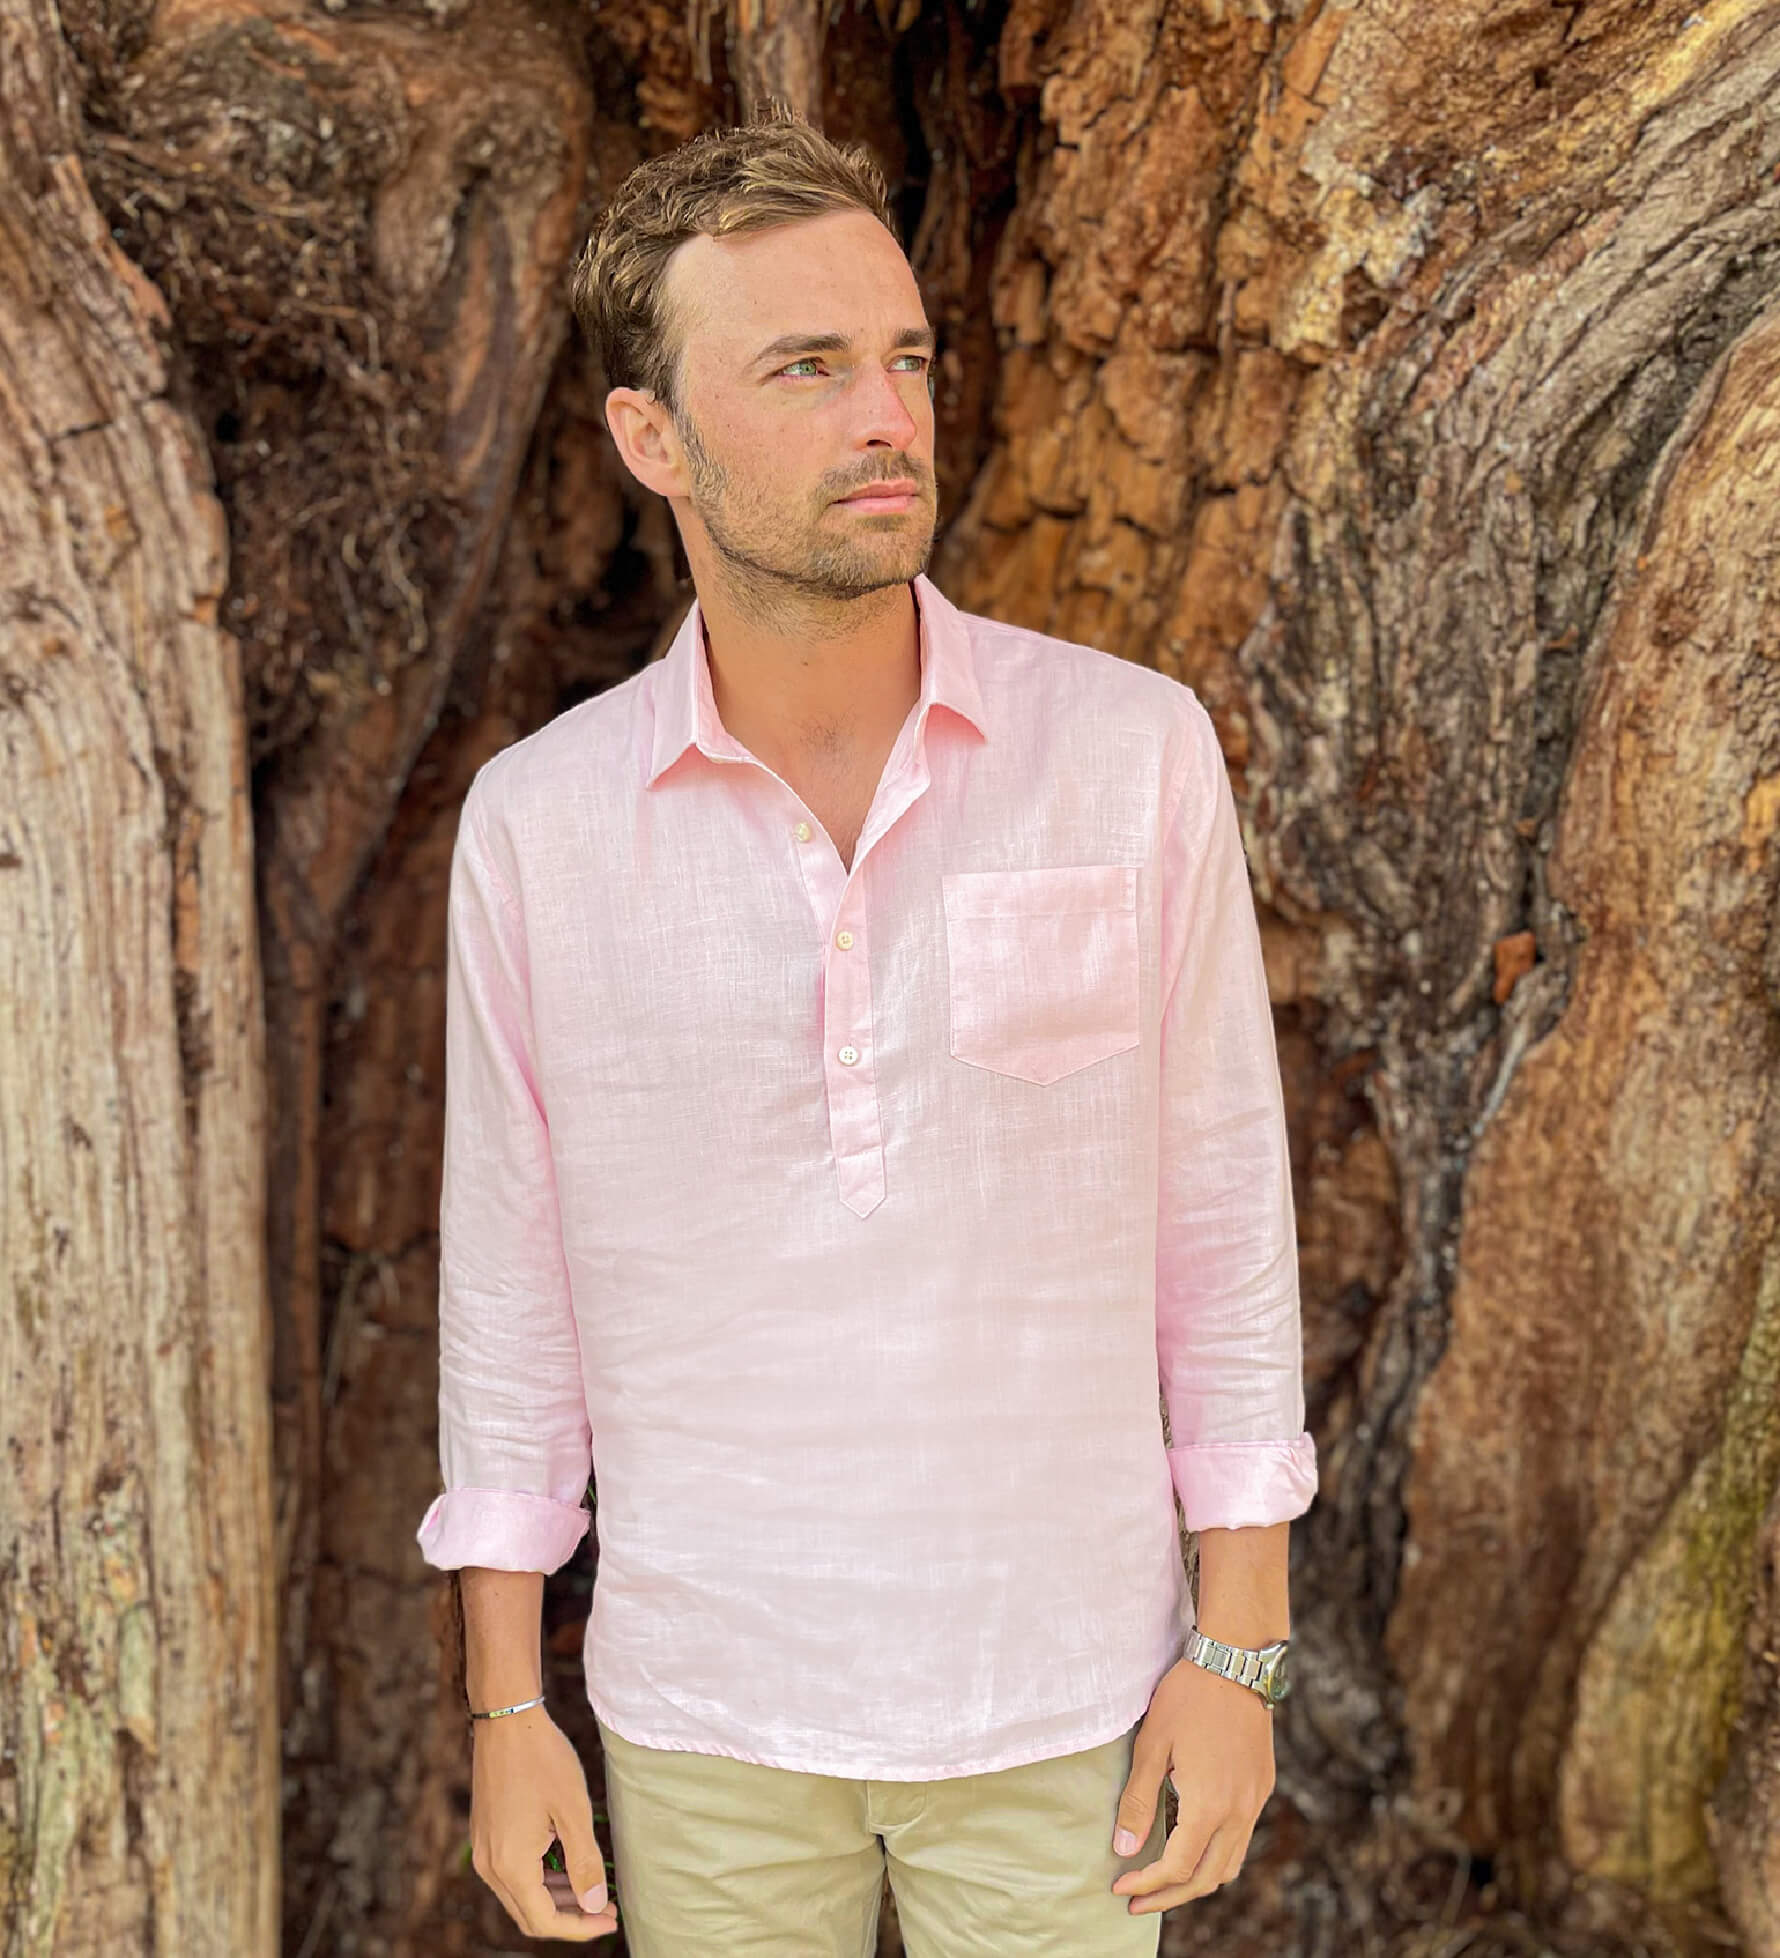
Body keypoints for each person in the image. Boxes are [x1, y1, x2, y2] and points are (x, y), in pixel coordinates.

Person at [414, 102, 1316, 1957]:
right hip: (707, 1710)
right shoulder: (539, 824)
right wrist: (507, 1703)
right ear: (651, 438)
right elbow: (509, 1290)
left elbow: (1225, 1221)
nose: (886, 413)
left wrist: (1241, 1648)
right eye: (807, 367)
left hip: (1069, 1694)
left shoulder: (1130, 753)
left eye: (904, 358)